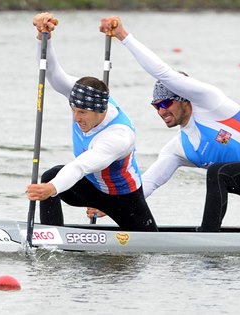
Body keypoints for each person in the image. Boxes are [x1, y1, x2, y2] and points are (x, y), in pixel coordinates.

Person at [92, 16, 240, 232]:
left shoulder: (211, 103)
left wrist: (122, 36)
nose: (161, 111)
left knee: (218, 172)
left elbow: (162, 72)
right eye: (156, 105)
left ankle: (208, 236)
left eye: (166, 102)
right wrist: (109, 203)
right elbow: (148, 183)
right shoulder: (177, 148)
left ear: (185, 98)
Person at [25, 12, 158, 232]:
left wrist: (51, 188)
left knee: (148, 246)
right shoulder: (83, 94)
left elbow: (80, 166)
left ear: (101, 111)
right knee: (50, 175)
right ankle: (49, 236)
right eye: (74, 110)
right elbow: (54, 75)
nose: (77, 119)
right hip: (90, 187)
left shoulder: (119, 135)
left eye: (83, 113)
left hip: (123, 197)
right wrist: (42, 36)